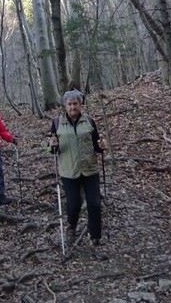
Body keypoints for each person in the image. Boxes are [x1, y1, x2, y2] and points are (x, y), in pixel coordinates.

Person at [47, 89, 107, 255]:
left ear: (80, 105)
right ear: (65, 106)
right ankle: (71, 225)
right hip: (69, 171)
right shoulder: (57, 123)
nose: (73, 107)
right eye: (70, 104)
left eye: (75, 103)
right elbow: (50, 149)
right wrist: (52, 145)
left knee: (94, 204)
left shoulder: (89, 121)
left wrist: (102, 146)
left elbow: (96, 145)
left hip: (90, 169)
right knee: (74, 204)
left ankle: (96, 238)